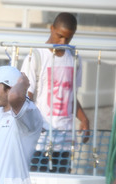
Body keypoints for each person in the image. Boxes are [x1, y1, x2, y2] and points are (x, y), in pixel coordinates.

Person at [21, 12, 89, 172]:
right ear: (51, 28)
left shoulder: (75, 58)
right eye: (59, 36)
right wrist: (32, 125)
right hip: (40, 140)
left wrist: (84, 119)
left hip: (65, 141)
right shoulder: (35, 56)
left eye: (68, 38)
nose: (63, 41)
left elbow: (71, 96)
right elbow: (26, 98)